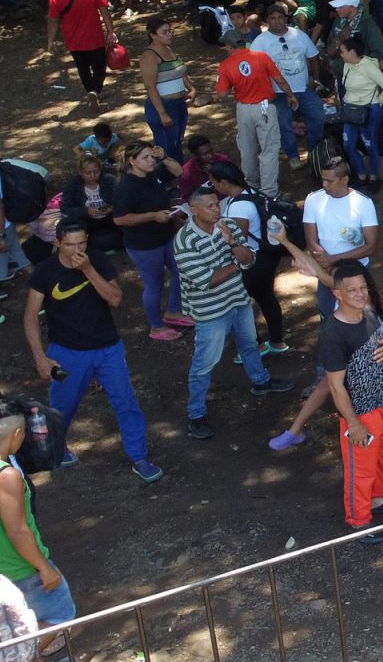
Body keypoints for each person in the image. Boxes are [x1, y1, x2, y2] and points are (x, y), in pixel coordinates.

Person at [267, 223, 383, 451]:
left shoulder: (358, 298)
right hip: (354, 344)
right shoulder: (342, 287)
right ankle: (295, 430)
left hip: (381, 345)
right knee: (327, 382)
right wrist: (284, 240)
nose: (327, 278)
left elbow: (316, 270)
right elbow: (313, 267)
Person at [23, 219, 162, 482]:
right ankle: (57, 447)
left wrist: (88, 270)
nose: (76, 249)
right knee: (61, 406)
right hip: (66, 353)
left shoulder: (95, 260)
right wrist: (41, 358)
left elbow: (116, 299)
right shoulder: (44, 271)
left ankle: (139, 457)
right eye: (69, 244)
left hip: (108, 348)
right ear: (57, 242)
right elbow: (30, 316)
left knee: (126, 403)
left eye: (81, 243)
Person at [175, 187, 295, 440]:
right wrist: (237, 262)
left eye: (217, 204)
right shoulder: (185, 241)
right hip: (209, 310)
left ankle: (260, 381)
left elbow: (249, 259)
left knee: (249, 344)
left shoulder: (227, 225)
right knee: (204, 362)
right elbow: (208, 280)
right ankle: (195, 414)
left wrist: (231, 243)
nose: (217, 209)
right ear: (194, 211)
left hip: (237, 299)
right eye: (210, 206)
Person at [319, 261, 383, 542]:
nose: (360, 294)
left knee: (380, 458)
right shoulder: (333, 332)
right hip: (362, 413)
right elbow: (335, 386)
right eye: (353, 290)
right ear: (338, 294)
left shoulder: (367, 314)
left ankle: (377, 499)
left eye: (363, 288)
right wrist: (354, 423)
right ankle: (358, 520)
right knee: (360, 468)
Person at [0, 400, 75, 658]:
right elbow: (18, 531)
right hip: (21, 570)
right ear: (17, 434)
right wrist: (44, 568)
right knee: (61, 615)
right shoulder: (6, 476)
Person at [207, 161, 290, 358]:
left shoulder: (238, 207)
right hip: (266, 256)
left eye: (214, 183)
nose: (214, 188)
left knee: (240, 305)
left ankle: (256, 346)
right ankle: (277, 341)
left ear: (224, 182)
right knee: (266, 297)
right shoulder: (252, 193)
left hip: (252, 262)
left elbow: (238, 239)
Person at [113, 141, 192, 340]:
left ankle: (174, 311)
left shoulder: (153, 173)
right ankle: (156, 327)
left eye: (152, 156)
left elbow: (178, 171)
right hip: (144, 244)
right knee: (154, 284)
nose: (151, 160)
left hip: (165, 236)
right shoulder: (126, 187)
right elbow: (120, 218)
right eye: (145, 158)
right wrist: (152, 216)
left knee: (181, 270)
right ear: (132, 161)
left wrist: (164, 157)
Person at [216, 30, 299, 198]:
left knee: (247, 149)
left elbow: (222, 93)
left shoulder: (225, 65)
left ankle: (251, 185)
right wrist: (290, 95)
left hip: (244, 109)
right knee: (269, 150)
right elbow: (280, 79)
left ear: (229, 47)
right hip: (265, 107)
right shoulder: (261, 57)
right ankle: (269, 192)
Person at [250, 5, 328, 174]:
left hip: (304, 88)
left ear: (286, 18)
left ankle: (314, 151)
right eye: (273, 18)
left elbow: (314, 58)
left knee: (318, 117)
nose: (278, 21)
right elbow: (255, 71)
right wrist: (266, 92)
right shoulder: (260, 42)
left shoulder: (299, 35)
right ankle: (293, 156)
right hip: (277, 92)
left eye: (280, 17)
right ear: (267, 21)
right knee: (284, 124)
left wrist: (314, 80)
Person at [304, 158, 381, 318]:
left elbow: (371, 247)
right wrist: (326, 263)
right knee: (327, 313)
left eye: (329, 181)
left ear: (344, 179)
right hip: (327, 270)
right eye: (323, 179)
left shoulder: (363, 203)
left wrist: (333, 260)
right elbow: (311, 240)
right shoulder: (313, 199)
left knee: (363, 314)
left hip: (356, 270)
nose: (324, 184)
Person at [45, 0, 116, 107]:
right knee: (99, 68)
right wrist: (110, 31)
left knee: (83, 69)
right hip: (95, 39)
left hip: (73, 41)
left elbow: (53, 20)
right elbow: (105, 12)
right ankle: (96, 92)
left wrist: (50, 41)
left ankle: (91, 91)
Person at [337, 36, 383, 193]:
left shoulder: (369, 67)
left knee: (370, 144)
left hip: (368, 111)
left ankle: (373, 178)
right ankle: (362, 177)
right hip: (351, 111)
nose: (340, 54)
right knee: (348, 145)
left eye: (343, 51)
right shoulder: (347, 65)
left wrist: (378, 101)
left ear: (352, 52)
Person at [137, 18, 196, 162]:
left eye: (171, 31)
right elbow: (150, 86)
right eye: (165, 32)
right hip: (163, 104)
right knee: (166, 145)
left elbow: (180, 71)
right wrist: (162, 113)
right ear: (153, 34)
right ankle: (162, 177)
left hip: (179, 103)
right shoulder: (149, 56)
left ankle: (178, 174)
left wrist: (191, 88)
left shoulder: (168, 49)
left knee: (178, 141)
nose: (170, 34)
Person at [59, 155, 122, 251]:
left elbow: (122, 200)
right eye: (88, 173)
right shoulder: (73, 185)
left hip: (110, 216)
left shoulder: (109, 180)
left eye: (96, 172)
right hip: (87, 219)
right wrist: (85, 212)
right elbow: (65, 208)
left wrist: (112, 208)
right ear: (80, 172)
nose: (92, 176)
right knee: (68, 227)